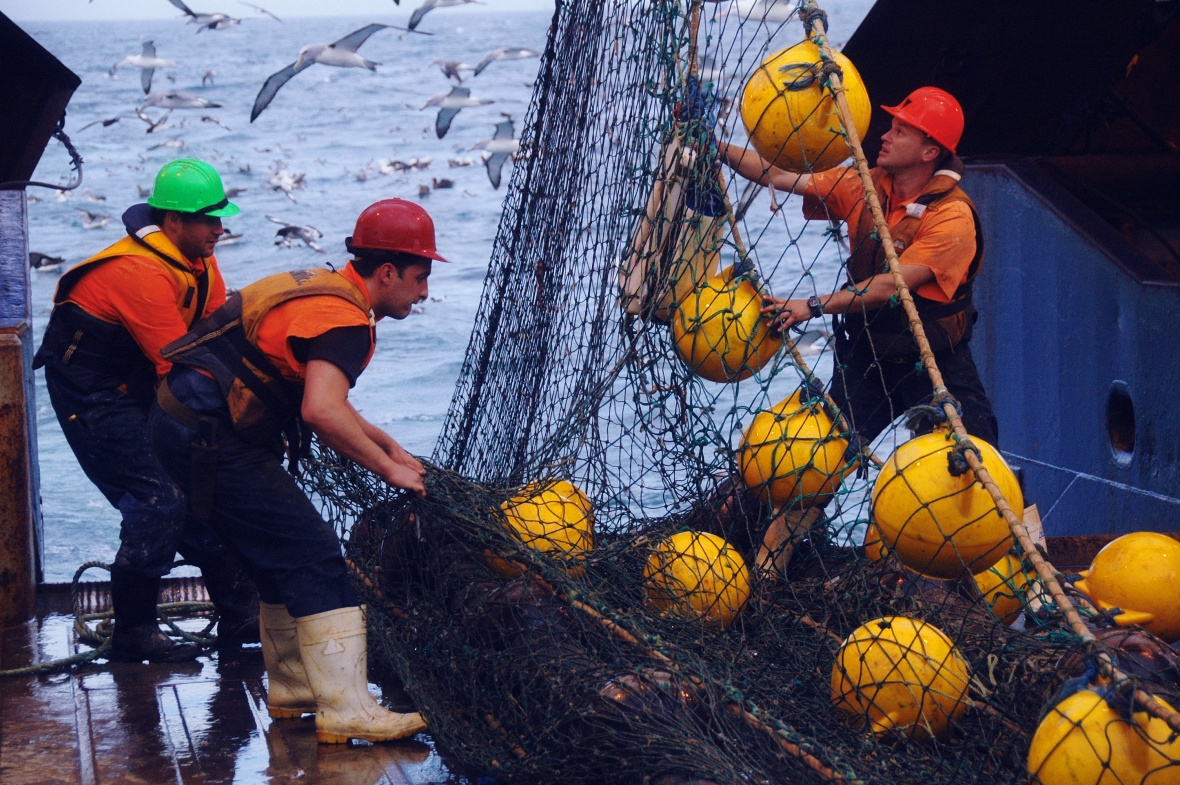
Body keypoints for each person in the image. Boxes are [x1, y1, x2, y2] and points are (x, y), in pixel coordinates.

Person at [148, 198, 441, 744]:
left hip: (183, 424)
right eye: (420, 277)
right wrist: (388, 471)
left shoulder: (326, 291)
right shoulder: (346, 321)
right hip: (210, 437)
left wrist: (389, 446)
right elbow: (321, 412)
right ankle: (349, 709)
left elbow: (325, 398)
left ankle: (293, 690)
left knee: (277, 557)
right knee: (314, 555)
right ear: (387, 272)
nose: (423, 292)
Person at [33, 158, 258, 663]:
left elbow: (216, 341)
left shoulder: (200, 260)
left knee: (204, 488)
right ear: (172, 222)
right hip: (91, 393)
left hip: (137, 383)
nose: (219, 230)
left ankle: (241, 615)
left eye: (221, 218)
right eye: (208, 220)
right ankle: (134, 630)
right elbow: (181, 372)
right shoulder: (138, 272)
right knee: (159, 497)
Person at [721, 86, 999, 447]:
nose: (885, 135)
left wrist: (812, 305)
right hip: (866, 358)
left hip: (935, 363)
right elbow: (778, 175)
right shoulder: (864, 185)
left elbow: (890, 286)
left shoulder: (952, 217)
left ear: (930, 151)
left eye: (900, 131)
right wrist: (719, 149)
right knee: (803, 466)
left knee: (974, 461)